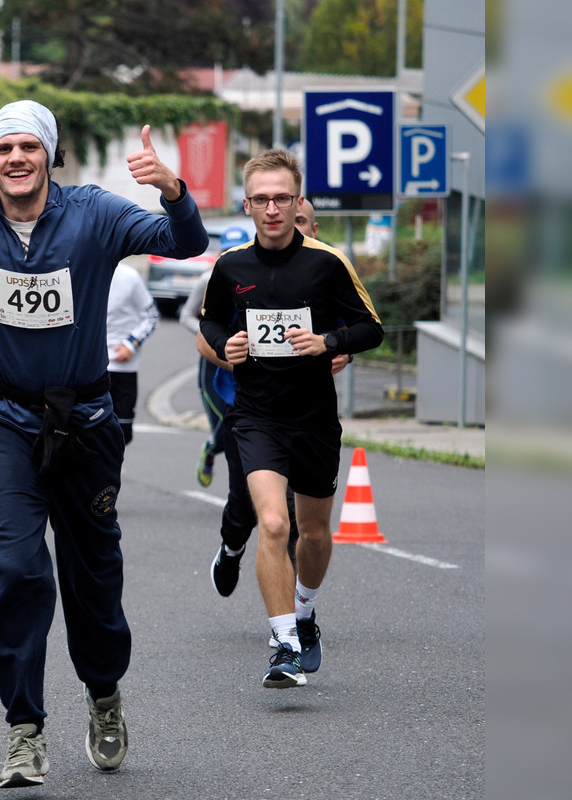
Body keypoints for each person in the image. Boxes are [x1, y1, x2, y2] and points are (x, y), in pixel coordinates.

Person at [0, 101, 207, 788]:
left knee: (94, 580)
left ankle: (104, 692)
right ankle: (24, 729)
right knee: (21, 570)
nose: (16, 158)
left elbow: (183, 243)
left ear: (49, 154)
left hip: (87, 423)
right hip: (12, 424)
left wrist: (173, 191)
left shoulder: (95, 213)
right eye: (3, 149)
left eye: (29, 146)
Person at [199, 150, 383, 689]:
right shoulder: (231, 266)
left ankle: (304, 614)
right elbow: (209, 324)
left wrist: (329, 341)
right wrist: (226, 345)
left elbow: (371, 328)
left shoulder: (328, 262)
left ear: (298, 201)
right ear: (247, 205)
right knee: (275, 524)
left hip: (314, 420)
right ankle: (284, 647)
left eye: (282, 198)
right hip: (257, 416)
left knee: (315, 533)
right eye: (262, 199)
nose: (273, 209)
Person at [198, 198, 353, 618]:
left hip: (307, 415)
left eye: (299, 220)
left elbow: (349, 332)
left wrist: (340, 351)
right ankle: (231, 548)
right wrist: (234, 356)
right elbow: (204, 337)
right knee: (245, 508)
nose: (284, 222)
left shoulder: (324, 272)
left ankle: (294, 621)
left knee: (295, 522)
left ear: (313, 230)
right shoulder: (241, 270)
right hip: (250, 410)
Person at [180, 226, 251, 483]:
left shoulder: (255, 277)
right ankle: (211, 450)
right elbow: (186, 316)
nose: (230, 256)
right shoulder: (208, 280)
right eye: (225, 251)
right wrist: (211, 335)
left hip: (245, 362)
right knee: (222, 427)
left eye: (236, 250)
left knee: (242, 426)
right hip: (213, 360)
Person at [106, 262, 159, 445]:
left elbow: (151, 316)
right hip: (88, 367)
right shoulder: (79, 271)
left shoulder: (129, 276)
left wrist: (130, 344)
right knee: (85, 431)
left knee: (122, 432)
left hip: (121, 366)